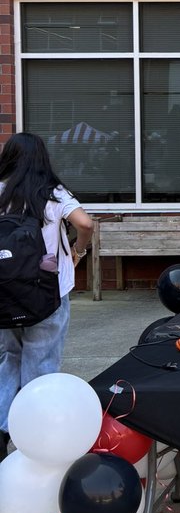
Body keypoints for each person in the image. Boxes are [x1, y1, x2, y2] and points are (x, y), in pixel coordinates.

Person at [0, 133, 93, 460]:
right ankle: (33, 437)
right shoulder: (53, 192)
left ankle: (2, 430)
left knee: (10, 359)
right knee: (41, 364)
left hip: (4, 293)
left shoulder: (1, 191)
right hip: (45, 293)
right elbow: (85, 223)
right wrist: (79, 250)